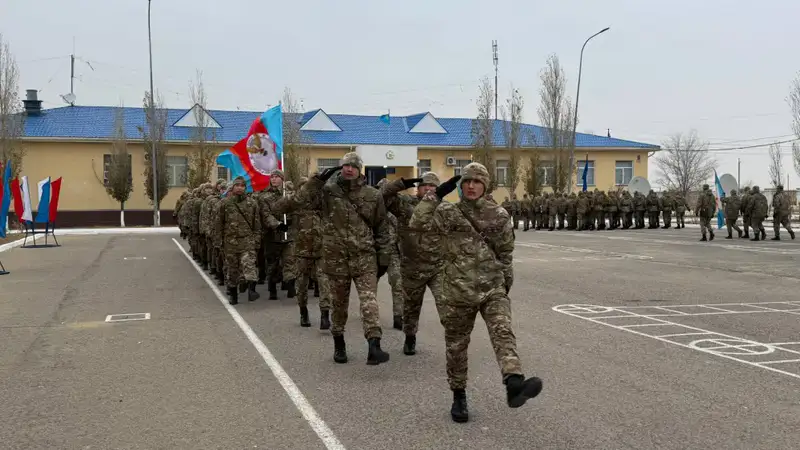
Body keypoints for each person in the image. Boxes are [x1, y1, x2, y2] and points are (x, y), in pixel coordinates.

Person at [412, 162, 542, 423]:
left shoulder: (499, 215)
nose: (471, 186)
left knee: (502, 330)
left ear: (485, 185)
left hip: (491, 287)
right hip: (457, 290)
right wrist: (435, 195)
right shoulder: (448, 212)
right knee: (457, 348)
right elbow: (417, 221)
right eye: (467, 181)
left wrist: (505, 285)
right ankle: (458, 395)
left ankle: (514, 382)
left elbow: (506, 253)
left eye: (477, 182)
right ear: (461, 186)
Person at [300, 153, 392, 365]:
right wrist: (318, 180)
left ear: (360, 169)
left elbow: (381, 227)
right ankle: (339, 342)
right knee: (339, 305)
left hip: (364, 257)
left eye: (353, 166)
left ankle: (374, 345)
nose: (349, 169)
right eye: (345, 165)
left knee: (369, 301)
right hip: (336, 259)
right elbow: (302, 200)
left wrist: (384, 255)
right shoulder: (327, 193)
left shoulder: (372, 195)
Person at [216, 176, 262, 304]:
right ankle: (233, 294)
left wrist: (257, 240)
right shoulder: (225, 203)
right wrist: (218, 241)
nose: (239, 188)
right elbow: (219, 224)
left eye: (242, 186)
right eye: (237, 185)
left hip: (247, 241)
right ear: (233, 187)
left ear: (245, 188)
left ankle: (252, 290)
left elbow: (256, 224)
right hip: (230, 243)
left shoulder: (252, 203)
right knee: (232, 269)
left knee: (249, 265)